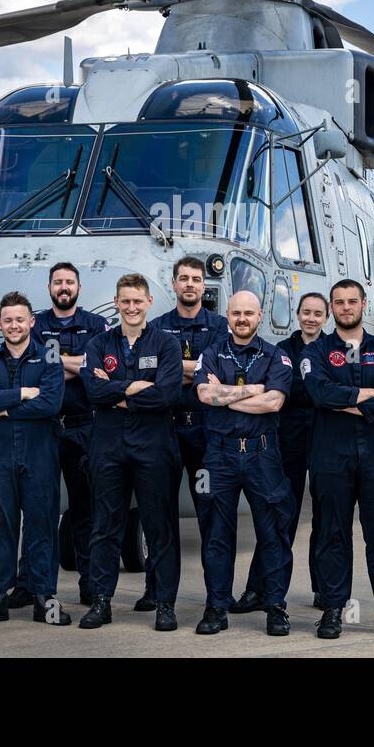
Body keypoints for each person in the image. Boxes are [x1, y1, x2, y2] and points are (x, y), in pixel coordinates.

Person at [302, 279, 374, 639]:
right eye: (339, 302)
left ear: (364, 304)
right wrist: (366, 396)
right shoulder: (316, 353)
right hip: (331, 455)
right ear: (331, 308)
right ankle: (333, 610)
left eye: (352, 301)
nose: (346, 307)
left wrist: (344, 400)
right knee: (332, 533)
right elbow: (319, 393)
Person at [77, 273, 183, 632]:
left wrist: (117, 393)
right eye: (126, 301)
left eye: (138, 301)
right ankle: (101, 601)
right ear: (117, 302)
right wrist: (136, 388)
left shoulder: (166, 344)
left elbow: (167, 394)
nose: (132, 307)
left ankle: (165, 603)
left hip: (154, 444)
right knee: (105, 526)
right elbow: (93, 390)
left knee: (160, 526)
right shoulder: (99, 344)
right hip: (108, 445)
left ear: (149, 302)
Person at [193, 290, 294, 637]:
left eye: (248, 313)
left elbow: (274, 404)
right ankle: (216, 607)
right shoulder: (211, 353)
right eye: (236, 312)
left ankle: (276, 606)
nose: (242, 319)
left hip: (262, 455)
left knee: (273, 533)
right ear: (228, 314)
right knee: (217, 535)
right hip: (218, 456)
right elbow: (205, 395)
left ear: (259, 316)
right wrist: (255, 389)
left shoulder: (276, 356)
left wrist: (227, 397)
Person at [0, 292, 70, 627]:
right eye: (8, 320)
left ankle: (44, 599)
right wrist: (24, 394)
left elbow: (52, 403)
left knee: (42, 527)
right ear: (0, 324)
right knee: (0, 527)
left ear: (31, 322)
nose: (14, 325)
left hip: (40, 455)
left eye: (20, 319)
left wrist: (5, 408)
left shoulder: (50, 358)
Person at [142, 256, 229, 611]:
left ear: (203, 285)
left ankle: (215, 595)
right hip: (165, 431)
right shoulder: (157, 327)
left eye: (196, 279)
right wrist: (195, 370)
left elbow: (220, 369)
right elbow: (151, 372)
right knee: (160, 517)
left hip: (205, 437)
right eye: (184, 279)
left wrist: (173, 368)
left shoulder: (221, 327)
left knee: (210, 515)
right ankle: (155, 591)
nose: (190, 284)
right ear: (174, 284)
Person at [238, 292, 326, 611]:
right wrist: (314, 389)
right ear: (297, 314)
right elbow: (278, 389)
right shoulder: (281, 351)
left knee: (326, 518)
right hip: (285, 441)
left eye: (318, 313)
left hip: (324, 441)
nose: (311, 318)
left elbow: (318, 391)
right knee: (278, 517)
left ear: (325, 318)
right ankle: (259, 589)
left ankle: (325, 589)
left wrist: (301, 388)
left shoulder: (333, 351)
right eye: (306, 312)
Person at [32, 262, 109, 607]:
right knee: (39, 508)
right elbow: (33, 374)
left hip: (83, 427)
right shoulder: (35, 323)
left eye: (69, 282)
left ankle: (90, 583)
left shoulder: (96, 325)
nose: (64, 287)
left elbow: (95, 369)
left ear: (79, 286)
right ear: (49, 287)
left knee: (84, 510)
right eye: (58, 282)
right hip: (45, 428)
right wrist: (74, 365)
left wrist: (55, 366)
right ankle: (32, 584)